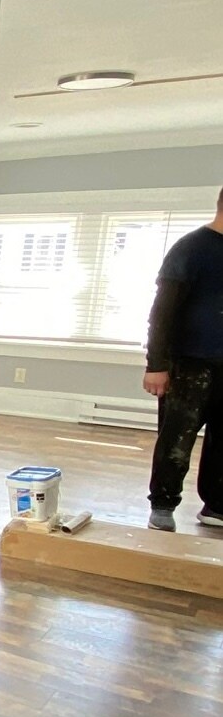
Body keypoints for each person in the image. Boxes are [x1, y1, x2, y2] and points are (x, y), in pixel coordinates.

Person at [144, 185, 223, 531]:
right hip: (189, 365)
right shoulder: (191, 249)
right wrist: (157, 365)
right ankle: (163, 505)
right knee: (177, 438)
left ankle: (217, 506)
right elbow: (162, 313)